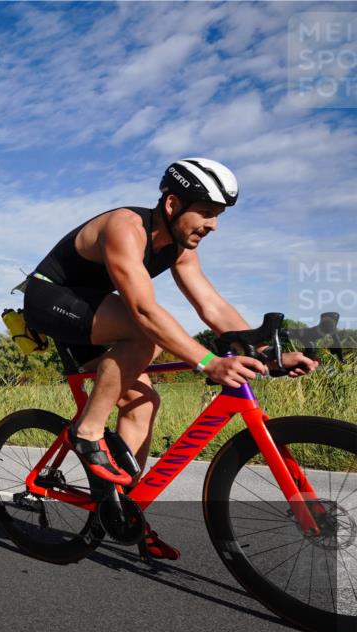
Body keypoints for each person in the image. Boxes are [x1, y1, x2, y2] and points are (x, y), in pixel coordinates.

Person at [23, 157, 318, 559]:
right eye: (208, 213)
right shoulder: (125, 228)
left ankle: (123, 508)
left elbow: (211, 306)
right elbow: (145, 311)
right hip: (50, 298)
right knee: (145, 337)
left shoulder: (180, 248)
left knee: (143, 403)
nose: (213, 225)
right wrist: (209, 362)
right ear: (173, 204)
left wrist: (268, 354)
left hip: (96, 311)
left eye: (219, 216)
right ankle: (86, 432)